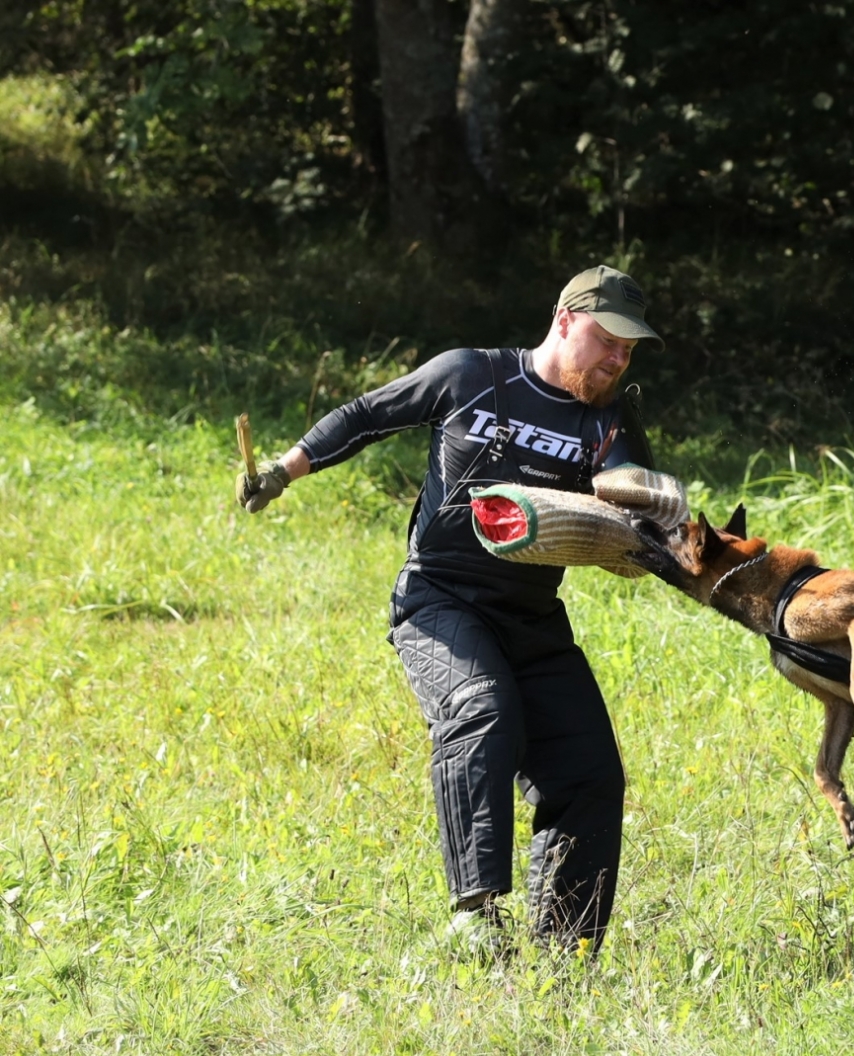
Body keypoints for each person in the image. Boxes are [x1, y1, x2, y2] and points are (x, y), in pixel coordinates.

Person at [236, 265, 663, 953]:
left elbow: (641, 520)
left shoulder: (610, 418)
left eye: (629, 348)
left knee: (591, 770)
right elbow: (367, 416)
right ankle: (475, 912)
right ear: (564, 319)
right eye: (607, 338)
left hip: (532, 617)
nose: (617, 357)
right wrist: (280, 472)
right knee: (482, 708)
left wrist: (643, 525)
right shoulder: (473, 375)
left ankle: (566, 953)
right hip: (438, 599)